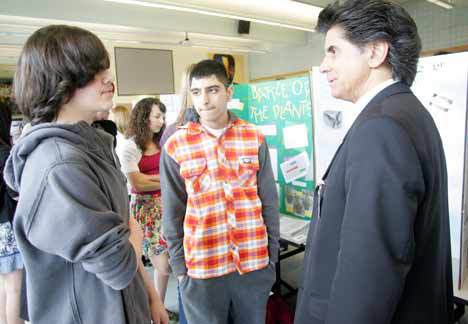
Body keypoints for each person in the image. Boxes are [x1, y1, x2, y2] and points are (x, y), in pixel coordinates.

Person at [295, 1, 454, 324]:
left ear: (375, 52)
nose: (323, 66)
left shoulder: (382, 128)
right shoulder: (405, 113)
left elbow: (368, 270)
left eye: (334, 51)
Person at [3, 24, 168, 324]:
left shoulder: (93, 144)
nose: (108, 79)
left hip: (124, 306)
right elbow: (118, 261)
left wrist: (152, 296)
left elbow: (126, 233)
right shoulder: (59, 164)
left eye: (105, 68)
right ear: (59, 81)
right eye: (92, 71)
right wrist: (131, 233)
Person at [160, 59, 279, 324]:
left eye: (212, 89)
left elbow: (269, 201)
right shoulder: (176, 145)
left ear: (229, 92)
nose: (204, 99)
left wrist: (272, 257)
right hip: (202, 268)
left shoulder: (254, 137)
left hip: (253, 264)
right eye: (196, 92)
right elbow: (172, 213)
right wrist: (180, 270)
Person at [121, 97, 176, 319]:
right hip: (147, 212)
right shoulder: (131, 146)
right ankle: (154, 307)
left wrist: (154, 178)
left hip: (170, 205)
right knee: (163, 265)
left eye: (163, 116)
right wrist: (165, 179)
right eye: (156, 116)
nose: (161, 121)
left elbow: (169, 173)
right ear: (144, 117)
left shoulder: (163, 141)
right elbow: (136, 182)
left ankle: (159, 308)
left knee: (168, 263)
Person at [0, 100, 24, 324]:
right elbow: (15, 191)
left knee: (4, 285)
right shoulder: (5, 153)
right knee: (15, 288)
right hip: (7, 226)